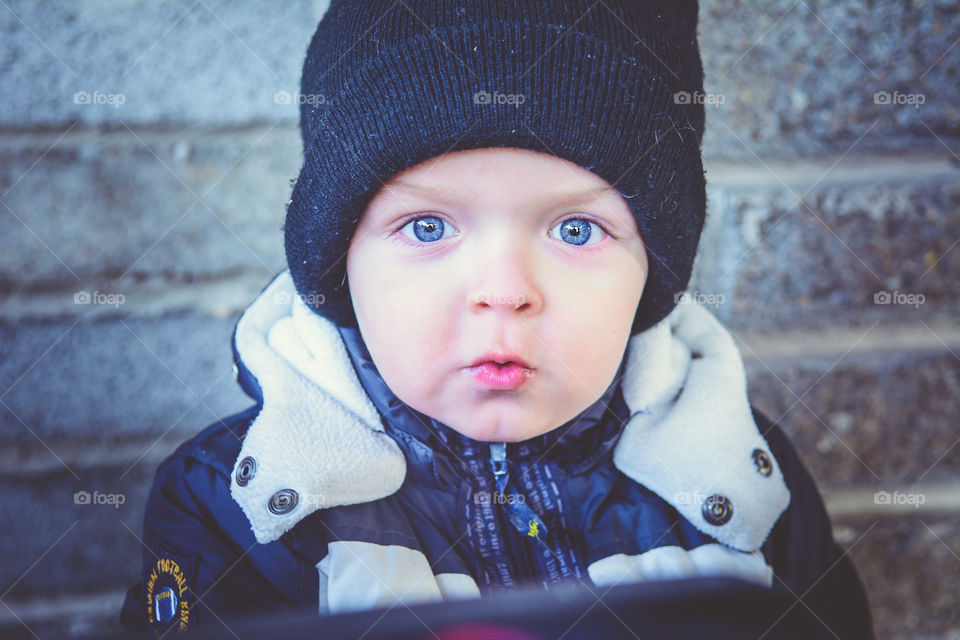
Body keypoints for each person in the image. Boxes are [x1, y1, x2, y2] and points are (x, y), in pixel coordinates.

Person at [119, 1, 874, 637]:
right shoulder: (237, 505)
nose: (505, 291)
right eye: (426, 228)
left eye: (576, 230)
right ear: (340, 267)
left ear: (654, 274)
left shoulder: (740, 482)